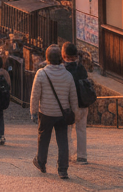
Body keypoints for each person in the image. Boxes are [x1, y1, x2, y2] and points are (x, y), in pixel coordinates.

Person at [30, 44, 77, 179]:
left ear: (47, 58)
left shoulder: (41, 74)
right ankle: (63, 169)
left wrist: (33, 112)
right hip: (62, 114)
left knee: (43, 139)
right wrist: (74, 112)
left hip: (45, 113)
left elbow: (35, 95)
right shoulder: (68, 76)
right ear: (61, 59)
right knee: (62, 141)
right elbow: (73, 96)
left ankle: (41, 163)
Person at [62, 42, 90, 164]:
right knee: (81, 130)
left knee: (67, 130)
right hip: (83, 104)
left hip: (70, 106)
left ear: (64, 55)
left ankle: (67, 155)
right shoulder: (81, 68)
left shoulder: (64, 71)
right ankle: (82, 156)